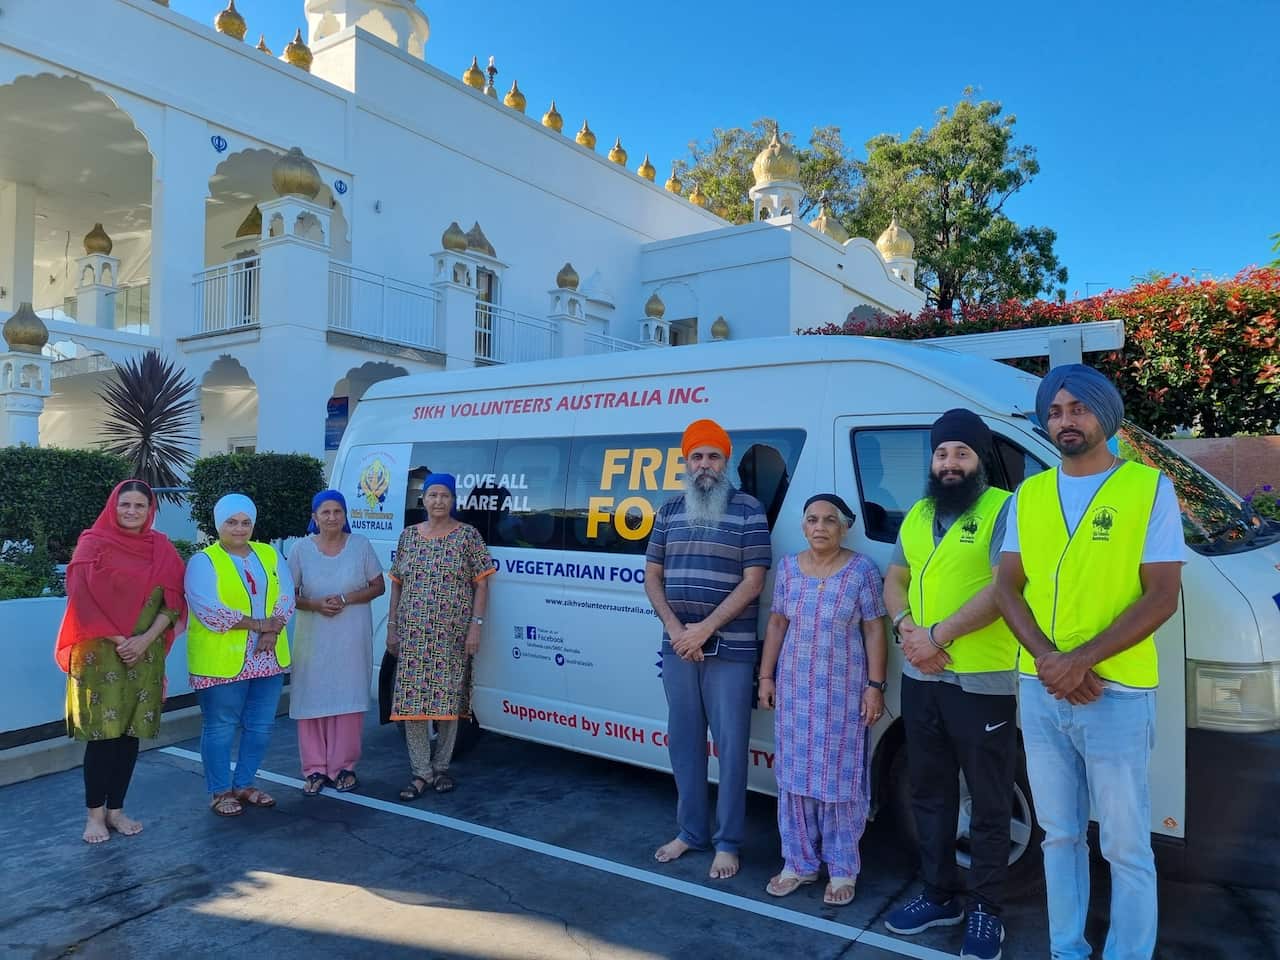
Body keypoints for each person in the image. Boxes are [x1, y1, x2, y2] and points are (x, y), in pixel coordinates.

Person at [995, 365, 1184, 960]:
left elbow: (1162, 595)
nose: (1064, 420)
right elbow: (1007, 588)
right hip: (1043, 686)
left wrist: (1082, 660)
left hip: (1118, 691)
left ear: (1105, 414)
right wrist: (1053, 662)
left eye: (1077, 408)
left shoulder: (1148, 489)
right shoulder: (1029, 494)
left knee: (1126, 846)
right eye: (1054, 411)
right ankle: (1067, 950)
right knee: (1060, 836)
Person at [881, 409, 1019, 960]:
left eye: (961, 453)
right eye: (941, 454)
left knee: (988, 800)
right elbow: (896, 579)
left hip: (981, 681)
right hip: (921, 677)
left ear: (980, 459)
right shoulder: (917, 513)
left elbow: (1004, 589)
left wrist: (936, 636)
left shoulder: (1002, 509)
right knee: (930, 791)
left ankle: (986, 911)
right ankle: (939, 895)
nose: (949, 463)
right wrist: (906, 629)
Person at [645, 418, 771, 881]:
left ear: (726, 461)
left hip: (731, 651)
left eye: (713, 456)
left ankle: (728, 841)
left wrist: (705, 630)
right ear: (685, 461)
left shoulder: (748, 510)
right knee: (684, 745)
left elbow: (753, 581)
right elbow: (652, 575)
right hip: (678, 647)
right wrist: (680, 629)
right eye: (697, 456)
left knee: (732, 748)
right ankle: (690, 832)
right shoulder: (670, 509)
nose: (705, 465)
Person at [758, 493, 886, 906]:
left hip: (842, 695)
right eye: (812, 519)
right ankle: (798, 864)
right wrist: (766, 676)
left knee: (839, 781)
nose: (820, 527)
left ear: (844, 527)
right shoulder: (789, 569)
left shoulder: (861, 570)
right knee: (795, 779)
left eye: (829, 520)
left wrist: (875, 686)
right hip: (795, 692)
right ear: (803, 525)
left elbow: (873, 630)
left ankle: (843, 868)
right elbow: (777, 623)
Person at [56, 480, 187, 844]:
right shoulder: (92, 543)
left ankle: (116, 811)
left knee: (129, 736)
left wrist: (144, 640)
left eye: (139, 506)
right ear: (113, 506)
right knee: (103, 737)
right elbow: (80, 598)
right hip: (100, 656)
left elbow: (173, 599)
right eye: (124, 504)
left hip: (144, 656)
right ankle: (94, 816)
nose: (131, 511)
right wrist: (122, 641)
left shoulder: (160, 548)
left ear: (150, 511)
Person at [185, 493, 296, 817]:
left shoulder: (269, 554)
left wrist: (271, 631)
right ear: (219, 524)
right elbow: (210, 611)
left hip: (268, 656)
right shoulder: (203, 561)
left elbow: (287, 596)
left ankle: (245, 783)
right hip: (221, 663)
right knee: (220, 727)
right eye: (231, 522)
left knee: (261, 727)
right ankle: (220, 792)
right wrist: (260, 625)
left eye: (246, 522)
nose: (239, 529)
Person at [388, 473, 493, 798]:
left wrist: (476, 625)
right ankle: (420, 772)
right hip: (413, 635)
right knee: (414, 705)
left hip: (452, 635)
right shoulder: (409, 536)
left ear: (453, 500)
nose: (437, 501)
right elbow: (397, 584)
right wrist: (392, 626)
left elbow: (482, 583)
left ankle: (442, 768)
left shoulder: (467, 536)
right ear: (424, 499)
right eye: (432, 495)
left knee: (448, 703)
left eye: (444, 495)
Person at [288, 490, 385, 796]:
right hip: (313, 638)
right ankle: (315, 769)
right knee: (312, 698)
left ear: (345, 516)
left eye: (337, 512)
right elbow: (287, 595)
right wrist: (315, 605)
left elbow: (378, 586)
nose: (332, 518)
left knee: (348, 699)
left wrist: (346, 598)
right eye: (325, 512)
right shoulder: (300, 549)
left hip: (351, 637)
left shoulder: (361, 546)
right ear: (314, 517)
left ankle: (344, 767)